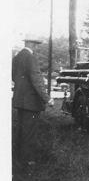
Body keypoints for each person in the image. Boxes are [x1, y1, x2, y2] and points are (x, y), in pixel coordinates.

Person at [12, 36, 54, 167]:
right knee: (29, 132)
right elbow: (36, 80)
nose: (36, 47)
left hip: (20, 100)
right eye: (35, 44)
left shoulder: (17, 57)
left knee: (21, 129)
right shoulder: (31, 57)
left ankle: (17, 156)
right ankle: (28, 160)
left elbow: (14, 76)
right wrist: (47, 98)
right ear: (29, 42)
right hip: (31, 102)